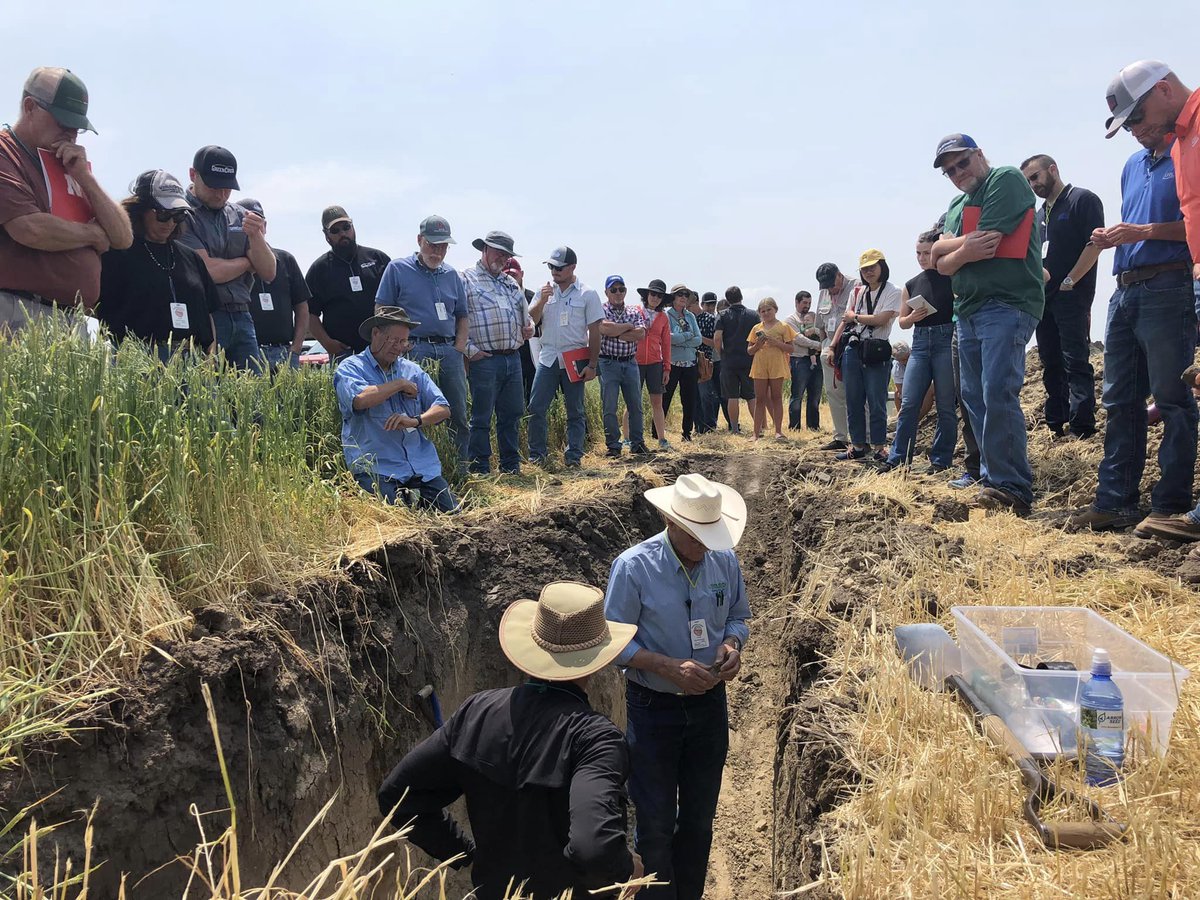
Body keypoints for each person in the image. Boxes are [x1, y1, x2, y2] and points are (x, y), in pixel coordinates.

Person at [378, 581, 642, 900]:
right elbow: (593, 849)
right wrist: (626, 871)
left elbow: (398, 795)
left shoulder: (477, 712)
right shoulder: (595, 740)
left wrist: (463, 853)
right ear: (597, 660)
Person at [603, 473, 752, 900]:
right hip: (654, 710)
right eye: (698, 538)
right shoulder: (633, 567)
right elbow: (614, 643)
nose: (706, 547)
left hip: (708, 709)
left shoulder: (723, 560)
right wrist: (666, 666)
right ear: (674, 525)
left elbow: (739, 617)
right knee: (654, 824)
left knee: (699, 822)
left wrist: (731, 645)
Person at [1065, 62, 1196, 535]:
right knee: (1120, 400)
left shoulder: (1188, 151)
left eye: (1137, 121)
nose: (1135, 132)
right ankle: (1116, 500)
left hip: (1169, 286)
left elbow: (1194, 229)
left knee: (1173, 397)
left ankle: (1170, 503)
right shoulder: (1132, 166)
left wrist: (1142, 232)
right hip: (1125, 292)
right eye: (1128, 127)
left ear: (1162, 93)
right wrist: (1117, 238)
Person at [930, 134, 1044, 515]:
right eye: (950, 171)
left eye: (962, 163)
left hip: (1006, 304)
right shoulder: (956, 203)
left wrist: (947, 248)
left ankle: (1011, 487)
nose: (958, 174)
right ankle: (993, 479)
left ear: (980, 154)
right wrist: (949, 251)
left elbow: (987, 242)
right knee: (975, 399)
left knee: (997, 392)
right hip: (968, 311)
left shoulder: (1006, 179)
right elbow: (941, 264)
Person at [1, 67, 132, 333]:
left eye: (78, 127)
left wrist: (86, 178)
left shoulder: (70, 165)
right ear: (30, 107)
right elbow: (29, 228)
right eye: (63, 122)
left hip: (72, 318)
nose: (71, 133)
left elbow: (123, 237)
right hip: (18, 308)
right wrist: (93, 235)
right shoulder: (6, 153)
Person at [333, 307, 459, 513]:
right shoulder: (350, 368)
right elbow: (360, 400)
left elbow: (443, 408)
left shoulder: (413, 369)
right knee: (396, 521)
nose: (400, 347)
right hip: (378, 469)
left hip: (422, 468)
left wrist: (415, 421)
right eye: (395, 340)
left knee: (453, 516)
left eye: (404, 342)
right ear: (376, 333)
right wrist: (399, 384)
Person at [1020, 154, 1105, 439]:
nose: (1033, 184)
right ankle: (1055, 422)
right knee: (1050, 361)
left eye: (1035, 177)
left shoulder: (1082, 200)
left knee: (1075, 359)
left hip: (1072, 295)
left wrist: (1071, 280)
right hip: (1043, 299)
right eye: (1028, 181)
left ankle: (1082, 425)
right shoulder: (1040, 215)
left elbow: (1095, 244)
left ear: (1052, 170)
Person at [376, 216, 470, 463]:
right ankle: (416, 467)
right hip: (413, 350)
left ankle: (459, 467)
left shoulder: (452, 275)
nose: (437, 252)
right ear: (419, 240)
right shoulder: (397, 269)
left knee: (456, 411)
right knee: (412, 411)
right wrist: (396, 346)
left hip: (448, 351)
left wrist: (458, 348)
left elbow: (462, 315)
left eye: (443, 247)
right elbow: (382, 310)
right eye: (432, 245)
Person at [96, 169, 216, 360]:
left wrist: (211, 356)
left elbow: (209, 312)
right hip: (137, 357)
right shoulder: (116, 252)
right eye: (163, 214)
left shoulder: (191, 258)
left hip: (192, 358)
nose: (170, 222)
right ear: (141, 209)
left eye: (178, 215)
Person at [180, 146, 275, 370]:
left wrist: (256, 237)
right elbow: (208, 272)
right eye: (214, 186)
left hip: (243, 315)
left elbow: (269, 271)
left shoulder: (241, 216)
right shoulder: (181, 215)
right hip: (205, 317)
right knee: (208, 396)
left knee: (254, 396)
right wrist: (247, 262)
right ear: (193, 175)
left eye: (227, 188)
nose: (221, 194)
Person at [884, 228, 958, 473]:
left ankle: (940, 461)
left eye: (927, 252)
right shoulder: (911, 284)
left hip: (946, 341)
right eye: (918, 253)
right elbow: (902, 322)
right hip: (920, 343)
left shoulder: (953, 276)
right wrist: (913, 316)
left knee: (946, 404)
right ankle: (897, 459)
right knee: (908, 403)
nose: (922, 257)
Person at [460, 230, 532, 475]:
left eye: (506, 255)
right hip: (485, 359)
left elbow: (527, 317)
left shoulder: (511, 283)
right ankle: (480, 467)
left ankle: (510, 466)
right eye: (498, 252)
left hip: (512, 357)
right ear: (484, 250)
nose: (502, 258)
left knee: (511, 415)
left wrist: (528, 328)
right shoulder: (465, 279)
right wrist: (470, 351)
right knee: (481, 417)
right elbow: (455, 319)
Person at [527, 246, 602, 468]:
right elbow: (531, 320)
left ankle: (574, 457)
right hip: (548, 356)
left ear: (572, 268)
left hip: (574, 358)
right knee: (536, 407)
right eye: (551, 266)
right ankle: (537, 456)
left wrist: (592, 364)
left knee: (575, 411)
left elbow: (595, 331)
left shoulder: (587, 293)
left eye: (559, 267)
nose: (554, 271)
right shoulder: (544, 292)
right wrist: (541, 301)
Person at [828, 249, 901, 461]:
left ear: (882, 267)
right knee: (853, 399)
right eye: (865, 269)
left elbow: (882, 319)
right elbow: (845, 319)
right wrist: (833, 346)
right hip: (853, 348)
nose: (869, 272)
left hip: (876, 349)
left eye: (872, 267)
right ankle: (858, 445)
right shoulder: (857, 292)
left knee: (876, 399)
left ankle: (879, 447)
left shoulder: (893, 291)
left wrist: (856, 317)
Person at [305, 205, 390, 364]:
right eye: (335, 231)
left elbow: (398, 301)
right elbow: (310, 314)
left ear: (353, 227)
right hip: (344, 353)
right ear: (326, 236)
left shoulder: (378, 259)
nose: (343, 233)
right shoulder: (319, 269)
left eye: (346, 227)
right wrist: (328, 344)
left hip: (382, 348)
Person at [236, 198, 309, 372]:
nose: (254, 225)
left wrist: (296, 348)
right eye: (247, 220)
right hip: (249, 353)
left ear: (265, 225)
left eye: (257, 220)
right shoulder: (235, 262)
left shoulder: (286, 259)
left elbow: (302, 307)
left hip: (284, 351)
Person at [599, 274, 649, 457]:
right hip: (608, 362)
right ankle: (613, 445)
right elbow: (604, 328)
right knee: (609, 406)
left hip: (630, 362)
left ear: (626, 291)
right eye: (613, 290)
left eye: (621, 289)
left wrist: (617, 333)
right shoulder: (601, 310)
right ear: (606, 292)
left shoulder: (634, 310)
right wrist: (628, 327)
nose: (618, 293)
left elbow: (641, 334)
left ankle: (638, 443)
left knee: (635, 405)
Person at [815, 263, 857, 450]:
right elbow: (820, 324)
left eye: (832, 286)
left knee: (855, 393)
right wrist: (825, 345)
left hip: (850, 345)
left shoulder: (856, 286)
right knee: (833, 393)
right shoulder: (824, 292)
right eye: (827, 288)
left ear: (840, 275)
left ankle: (861, 438)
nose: (831, 291)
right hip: (829, 346)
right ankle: (841, 437)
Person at [747, 297, 796, 441]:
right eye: (763, 311)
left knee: (777, 397)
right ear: (759, 313)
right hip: (760, 364)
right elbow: (749, 350)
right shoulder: (756, 328)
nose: (766, 313)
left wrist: (776, 343)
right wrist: (758, 345)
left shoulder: (783, 326)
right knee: (760, 399)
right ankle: (756, 433)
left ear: (775, 309)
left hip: (777, 364)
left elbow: (791, 348)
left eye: (769, 309)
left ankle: (778, 431)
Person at [713, 286, 759, 434]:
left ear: (727, 300)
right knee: (751, 396)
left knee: (732, 396)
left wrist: (720, 352)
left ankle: (734, 429)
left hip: (729, 360)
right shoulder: (753, 315)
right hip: (749, 359)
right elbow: (760, 336)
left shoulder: (722, 315)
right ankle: (758, 428)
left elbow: (718, 337)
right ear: (741, 297)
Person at [634, 278, 672, 448]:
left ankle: (661, 438)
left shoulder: (663, 318)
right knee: (633, 401)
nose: (655, 298)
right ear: (647, 295)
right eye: (653, 294)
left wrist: (667, 368)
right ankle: (628, 437)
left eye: (659, 296)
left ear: (662, 300)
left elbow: (666, 344)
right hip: (635, 362)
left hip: (656, 363)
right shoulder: (635, 311)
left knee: (657, 402)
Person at [663, 285, 702, 443]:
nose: (683, 297)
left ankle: (687, 432)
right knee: (665, 398)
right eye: (680, 294)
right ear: (673, 297)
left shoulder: (690, 316)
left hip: (690, 364)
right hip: (671, 363)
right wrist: (687, 336)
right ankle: (656, 432)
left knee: (689, 399)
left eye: (686, 294)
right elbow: (667, 338)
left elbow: (698, 339)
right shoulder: (666, 315)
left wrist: (681, 341)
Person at [784, 291, 823, 430]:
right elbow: (797, 338)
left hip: (816, 359)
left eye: (809, 303)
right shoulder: (790, 319)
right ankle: (795, 427)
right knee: (797, 395)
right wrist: (818, 345)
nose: (807, 306)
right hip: (799, 360)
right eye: (804, 303)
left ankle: (813, 426)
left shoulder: (814, 317)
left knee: (815, 395)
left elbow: (822, 331)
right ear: (796, 302)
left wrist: (816, 333)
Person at [697, 292, 726, 432]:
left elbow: (716, 343)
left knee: (719, 395)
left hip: (718, 361)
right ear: (702, 305)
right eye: (707, 304)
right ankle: (707, 425)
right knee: (706, 394)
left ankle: (714, 423)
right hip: (705, 362)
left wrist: (699, 338)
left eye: (712, 304)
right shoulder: (698, 319)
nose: (710, 307)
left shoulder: (717, 320)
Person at [691, 291, 717, 433]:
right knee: (693, 396)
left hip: (704, 361)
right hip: (688, 361)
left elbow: (715, 343)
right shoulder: (686, 319)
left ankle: (710, 426)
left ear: (695, 303)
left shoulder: (709, 319)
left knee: (705, 395)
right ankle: (698, 426)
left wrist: (698, 338)